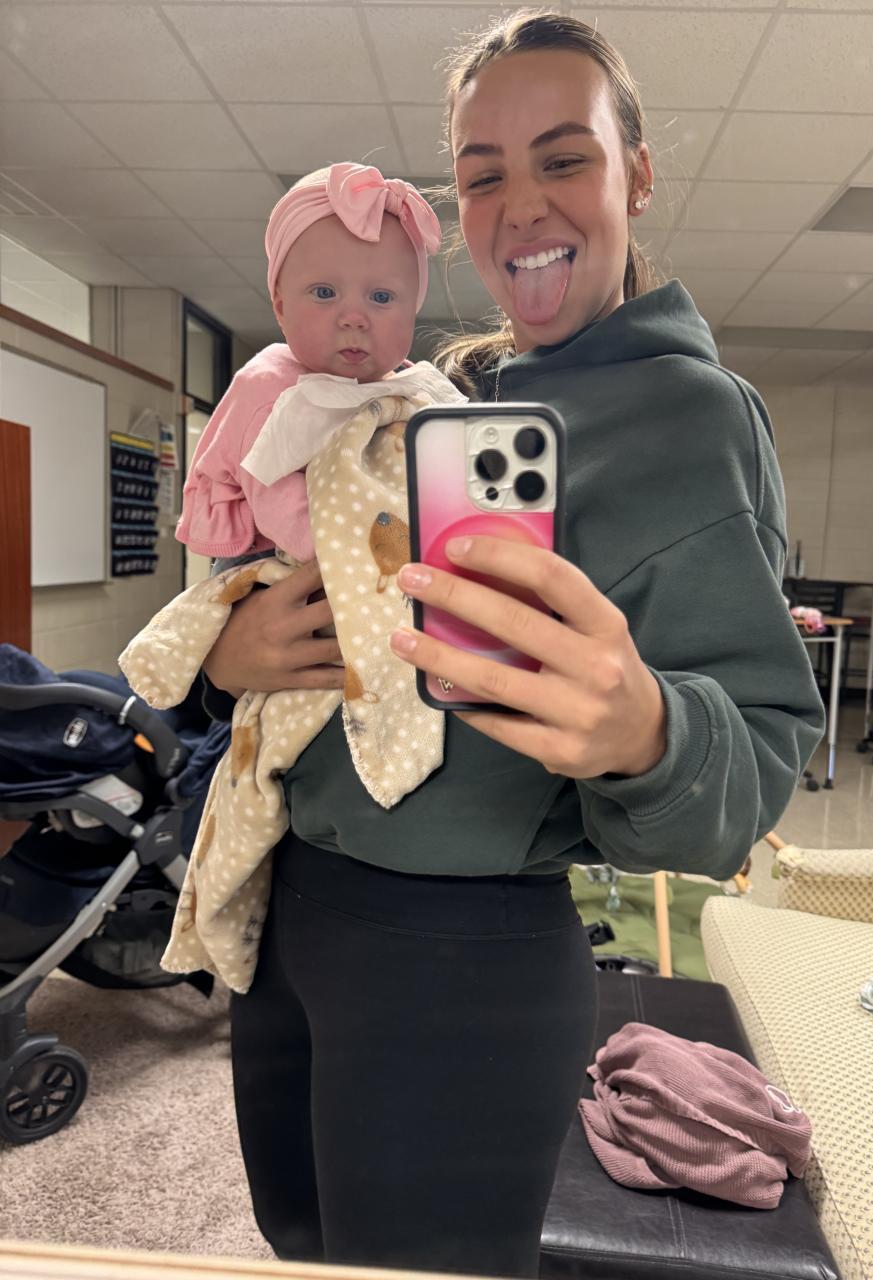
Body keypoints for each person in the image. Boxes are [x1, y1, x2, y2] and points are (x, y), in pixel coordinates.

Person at [202, 11, 825, 1279]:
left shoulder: (694, 418)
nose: (521, 204)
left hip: (460, 952)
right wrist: (231, 653)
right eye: (482, 174)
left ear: (635, 173)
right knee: (297, 1242)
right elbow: (301, 591)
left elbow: (756, 766)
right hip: (291, 908)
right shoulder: (435, 397)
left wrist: (650, 731)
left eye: (564, 158)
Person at [177, 161, 459, 567]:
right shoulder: (272, 386)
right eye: (325, 293)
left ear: (412, 312)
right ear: (281, 307)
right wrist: (346, 558)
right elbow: (273, 495)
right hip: (276, 548)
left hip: (368, 543)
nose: (354, 318)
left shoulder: (405, 387)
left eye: (381, 298)